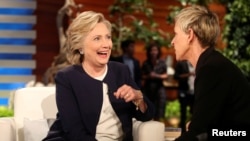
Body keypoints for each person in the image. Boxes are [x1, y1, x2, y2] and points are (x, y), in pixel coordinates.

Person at [42, 11, 155, 141]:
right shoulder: (67, 78)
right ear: (80, 47)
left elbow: (147, 115)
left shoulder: (120, 71)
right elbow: (75, 133)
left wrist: (138, 97)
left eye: (108, 37)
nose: (106, 45)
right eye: (97, 38)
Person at [171, 5, 250, 141]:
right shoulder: (212, 63)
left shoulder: (211, 69)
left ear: (190, 35)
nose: (172, 42)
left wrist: (200, 129)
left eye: (176, 34)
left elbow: (198, 133)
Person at [141, 43, 168, 121]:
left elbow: (166, 75)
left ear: (158, 51)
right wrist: (149, 76)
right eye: (152, 50)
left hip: (159, 88)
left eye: (155, 50)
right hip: (148, 88)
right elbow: (142, 76)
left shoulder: (162, 62)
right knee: (148, 109)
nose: (153, 52)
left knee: (159, 109)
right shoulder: (146, 63)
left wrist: (157, 76)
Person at [174, 60, 195, 132]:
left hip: (195, 92)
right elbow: (176, 76)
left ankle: (192, 130)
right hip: (184, 91)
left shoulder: (199, 63)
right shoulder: (181, 64)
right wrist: (188, 74)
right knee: (183, 112)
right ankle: (182, 132)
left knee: (194, 112)